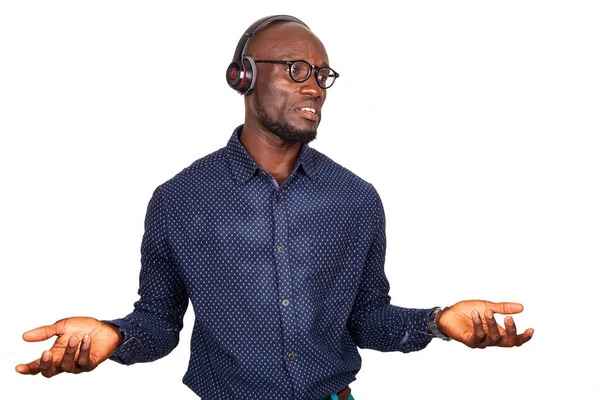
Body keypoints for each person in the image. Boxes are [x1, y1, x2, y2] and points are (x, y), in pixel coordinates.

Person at [15, 15, 534, 400]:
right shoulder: (179, 199)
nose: (313, 86)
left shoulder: (356, 198)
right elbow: (158, 323)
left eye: (322, 74)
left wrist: (439, 322)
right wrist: (115, 335)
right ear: (242, 76)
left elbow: (368, 319)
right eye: (295, 69)